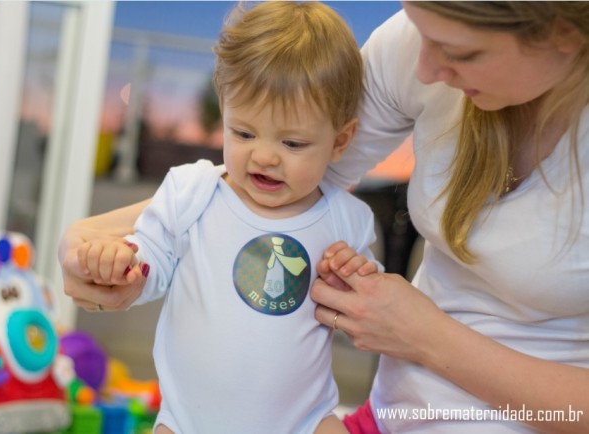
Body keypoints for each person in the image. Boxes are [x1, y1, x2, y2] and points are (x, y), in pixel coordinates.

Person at [59, 1, 589, 433]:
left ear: (565, 32)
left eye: (462, 53)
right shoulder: (419, 39)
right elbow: (279, 185)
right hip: (388, 410)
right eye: (241, 133)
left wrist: (419, 329)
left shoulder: (352, 221)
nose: (425, 68)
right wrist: (99, 238)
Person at [66, 2, 382, 433]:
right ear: (225, 114)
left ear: (340, 141)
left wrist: (355, 281)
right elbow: (149, 262)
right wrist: (120, 264)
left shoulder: (348, 220)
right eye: (244, 133)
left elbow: (364, 310)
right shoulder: (193, 191)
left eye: (292, 143)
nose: (264, 156)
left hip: (304, 423)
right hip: (187, 421)